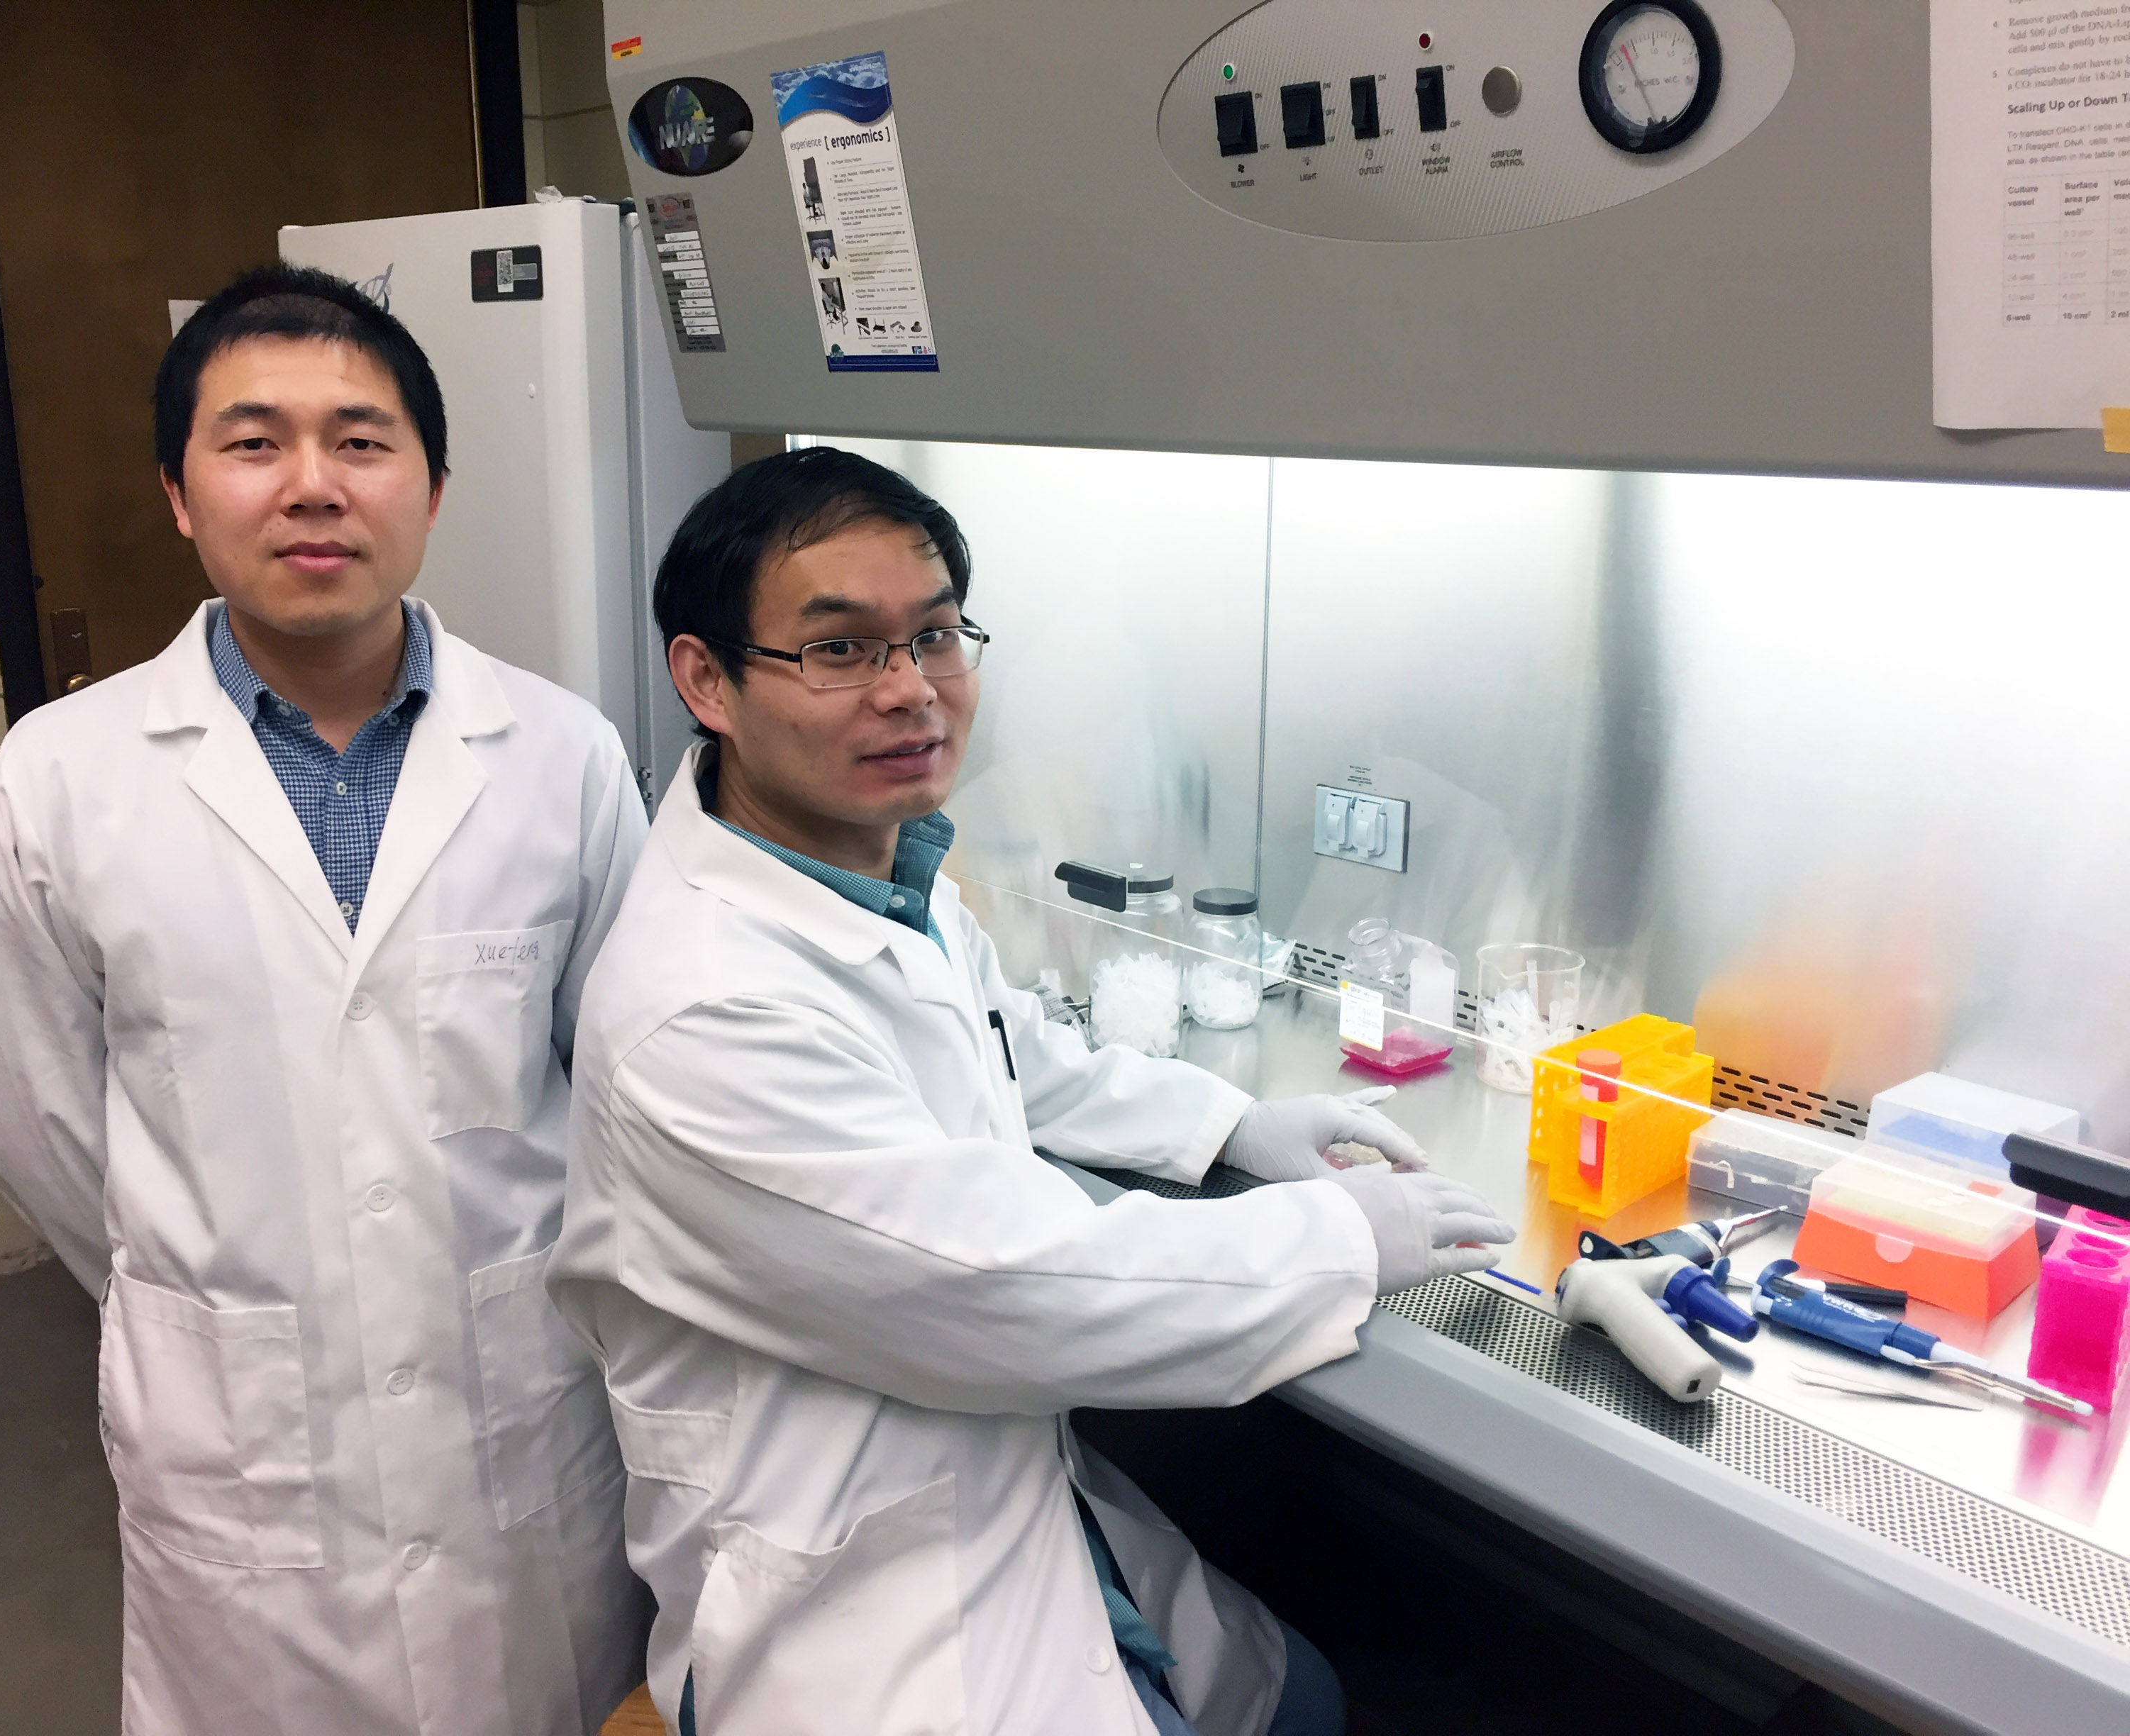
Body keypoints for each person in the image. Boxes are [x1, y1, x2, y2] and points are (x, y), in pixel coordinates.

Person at [548, 447, 1515, 1735]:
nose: (912, 691)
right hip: (864, 1612)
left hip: (1004, 1510)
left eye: (937, 634)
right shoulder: (702, 1006)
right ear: (707, 680)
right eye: (840, 651)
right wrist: (1342, 1235)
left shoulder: (880, 871)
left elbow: (1010, 1051)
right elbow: (1002, 1285)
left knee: (1305, 1698)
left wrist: (1229, 1125)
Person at [0, 265, 651, 1736]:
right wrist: (221, 1286)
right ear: (179, 492)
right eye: (255, 441)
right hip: (241, 1455)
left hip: (517, 1425)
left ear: (434, 489)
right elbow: (34, 1123)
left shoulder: (562, 756)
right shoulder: (63, 776)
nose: (313, 486)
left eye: (362, 439)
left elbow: (623, 1090)